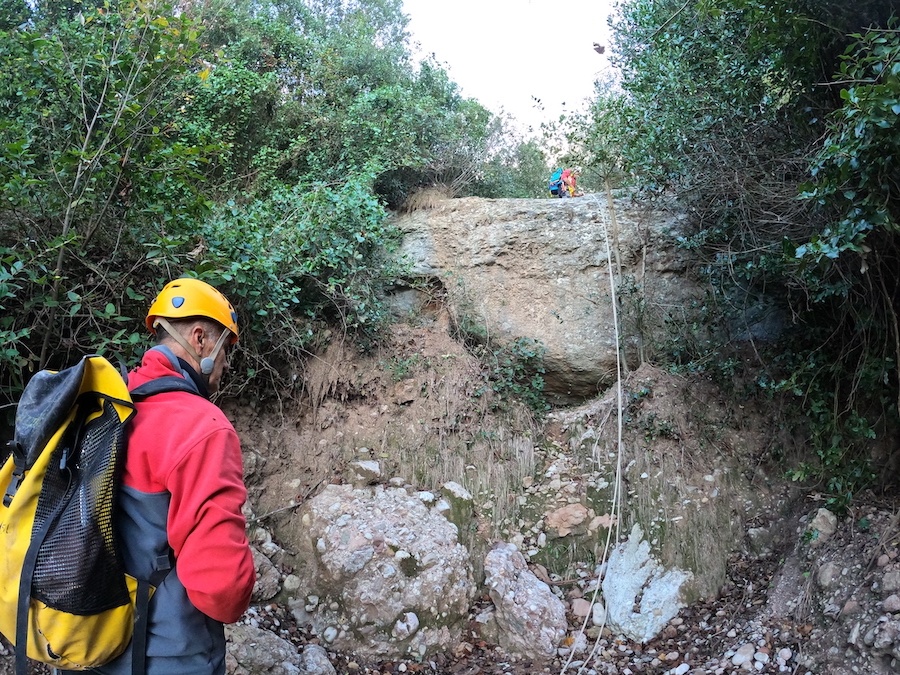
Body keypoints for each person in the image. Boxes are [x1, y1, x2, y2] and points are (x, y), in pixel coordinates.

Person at [90, 277, 255, 675]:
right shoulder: (201, 427)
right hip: (164, 656)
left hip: (84, 643)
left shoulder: (104, 406)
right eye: (225, 350)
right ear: (199, 339)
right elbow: (222, 590)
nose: (226, 366)